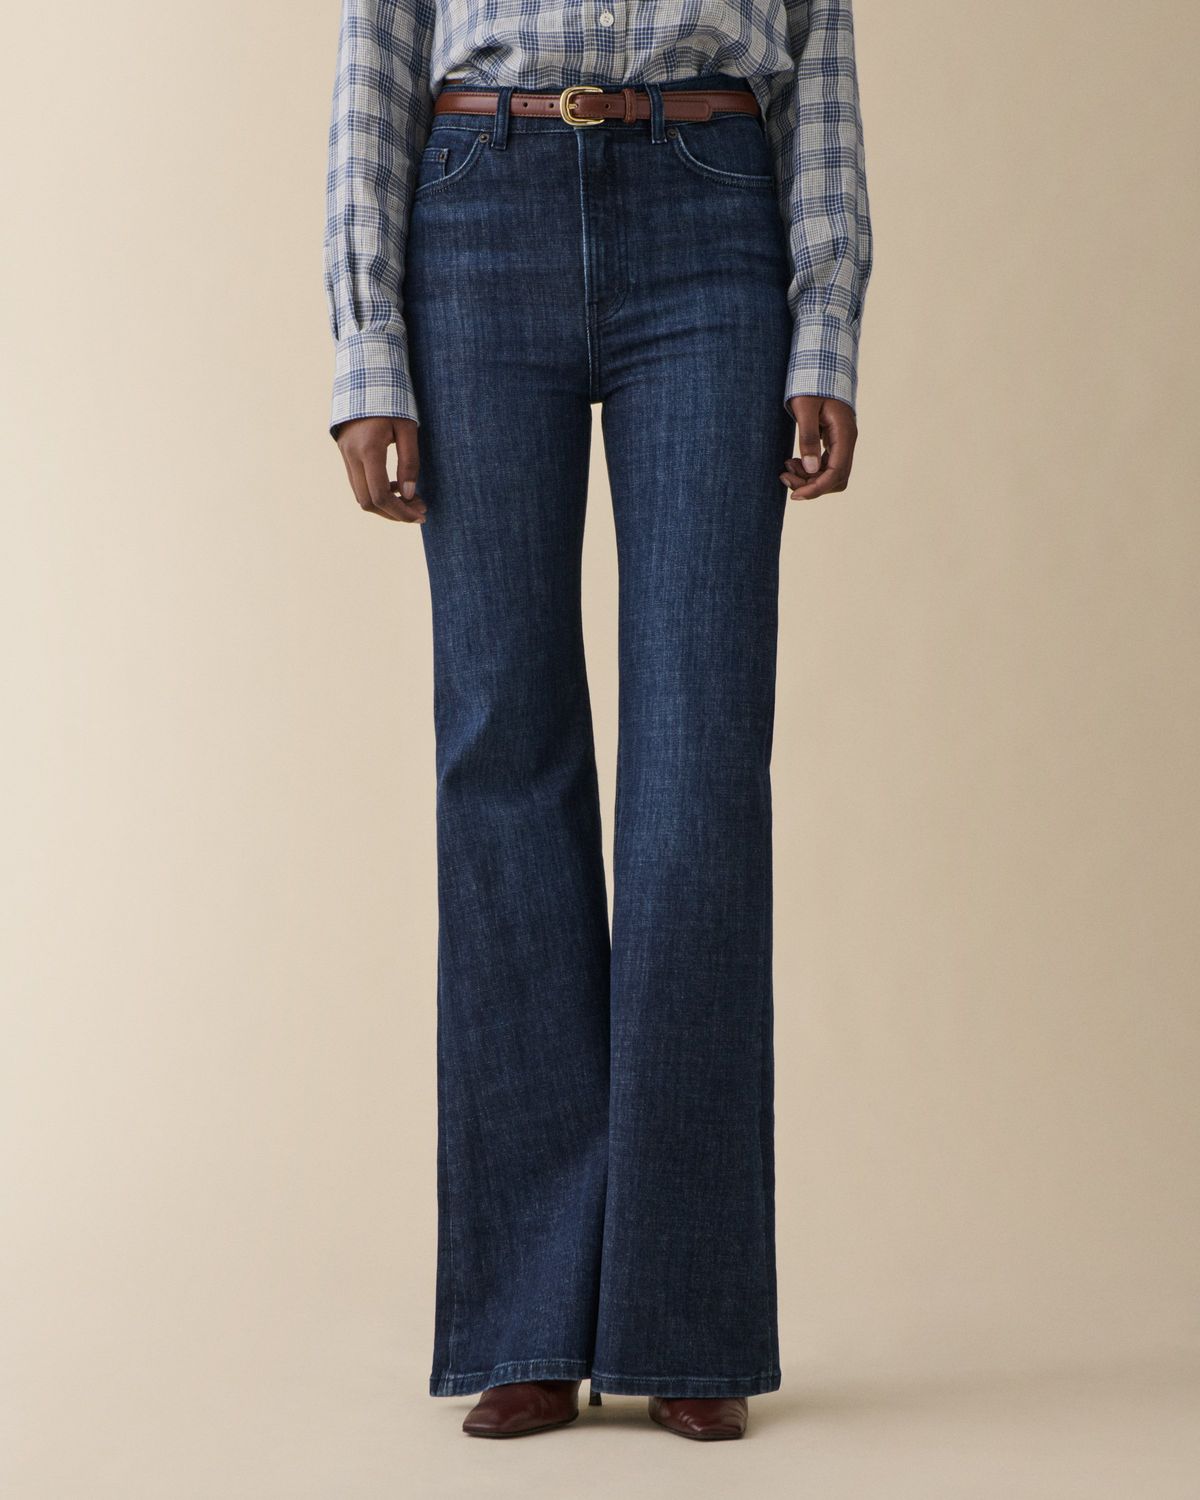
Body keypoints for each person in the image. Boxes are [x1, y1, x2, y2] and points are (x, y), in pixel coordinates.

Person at [322, 0, 872, 1444]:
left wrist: (826, 326)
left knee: (700, 768)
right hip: (476, 202)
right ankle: (527, 1318)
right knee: (502, 750)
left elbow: (819, 50)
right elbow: (379, 46)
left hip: (710, 208)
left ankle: (685, 1313)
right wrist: (368, 344)